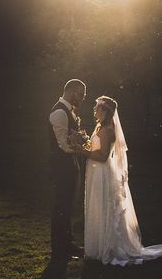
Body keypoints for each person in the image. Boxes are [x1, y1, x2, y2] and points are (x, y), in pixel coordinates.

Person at [70, 96, 162, 265]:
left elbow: (103, 156)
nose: (95, 110)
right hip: (94, 172)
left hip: (102, 173)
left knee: (105, 207)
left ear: (105, 111)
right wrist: (83, 143)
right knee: (96, 206)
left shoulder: (108, 131)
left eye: (97, 108)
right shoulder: (100, 127)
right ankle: (97, 247)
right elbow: (95, 148)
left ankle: (109, 247)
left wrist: (81, 151)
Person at [47, 79, 86, 261]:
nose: (82, 99)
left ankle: (67, 243)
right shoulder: (59, 112)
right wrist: (85, 150)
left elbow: (70, 140)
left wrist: (79, 140)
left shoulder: (69, 111)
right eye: (81, 95)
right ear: (72, 92)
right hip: (62, 167)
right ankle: (59, 248)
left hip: (71, 166)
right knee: (61, 206)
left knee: (68, 206)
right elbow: (63, 145)